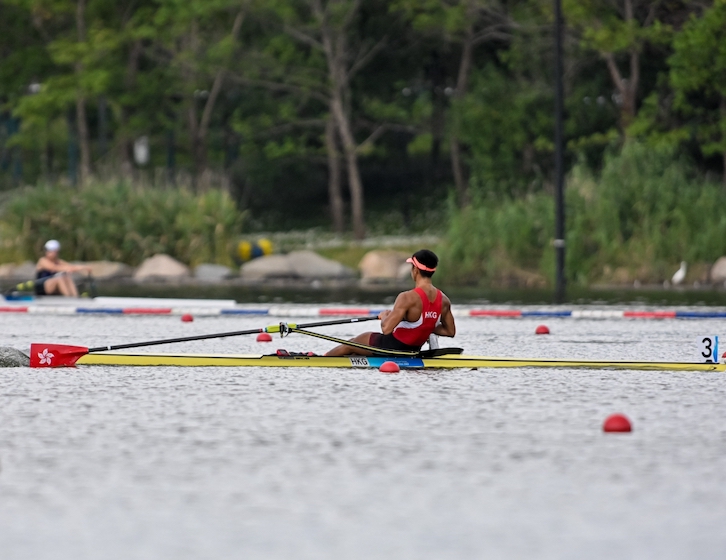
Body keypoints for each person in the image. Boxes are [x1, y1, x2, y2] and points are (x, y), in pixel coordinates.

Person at [325, 249, 456, 356]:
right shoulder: (444, 300)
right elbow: (450, 331)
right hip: (413, 350)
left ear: (415, 270)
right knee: (357, 351)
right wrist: (425, 326)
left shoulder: (407, 297)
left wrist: (385, 316)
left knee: (350, 344)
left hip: (390, 347)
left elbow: (386, 328)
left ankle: (321, 359)